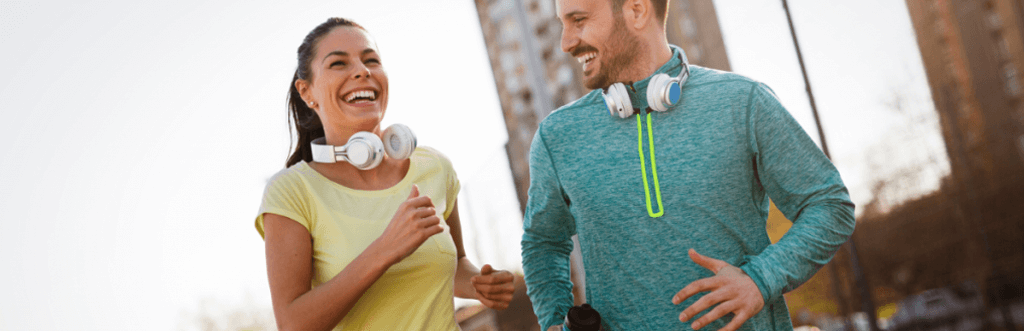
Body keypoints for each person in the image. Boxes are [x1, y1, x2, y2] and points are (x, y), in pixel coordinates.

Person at [520, 0, 856, 330]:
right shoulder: (557, 137)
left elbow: (829, 205)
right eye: (562, 24)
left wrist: (760, 279)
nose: (565, 43)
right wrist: (553, 321)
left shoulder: (742, 102)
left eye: (578, 20)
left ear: (636, 11)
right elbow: (542, 242)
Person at [255, 17, 515, 331]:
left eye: (371, 60)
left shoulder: (434, 167)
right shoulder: (291, 191)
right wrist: (384, 250)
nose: (362, 70)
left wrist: (477, 283)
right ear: (306, 91)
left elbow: (456, 262)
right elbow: (293, 323)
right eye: (338, 63)